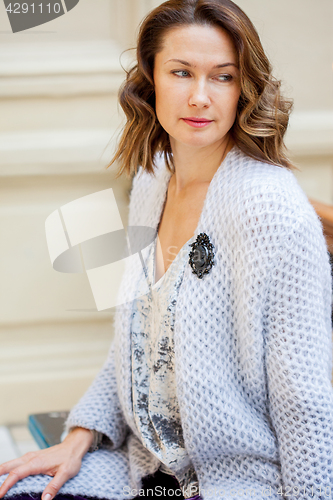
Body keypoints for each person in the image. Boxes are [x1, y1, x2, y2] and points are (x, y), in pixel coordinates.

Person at [1, 0, 333, 499]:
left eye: (223, 77)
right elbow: (136, 342)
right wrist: (78, 436)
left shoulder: (271, 209)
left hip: (237, 483)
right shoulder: (155, 176)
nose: (200, 96)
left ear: (244, 89)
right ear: (150, 79)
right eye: (181, 72)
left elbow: (303, 395)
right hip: (146, 471)